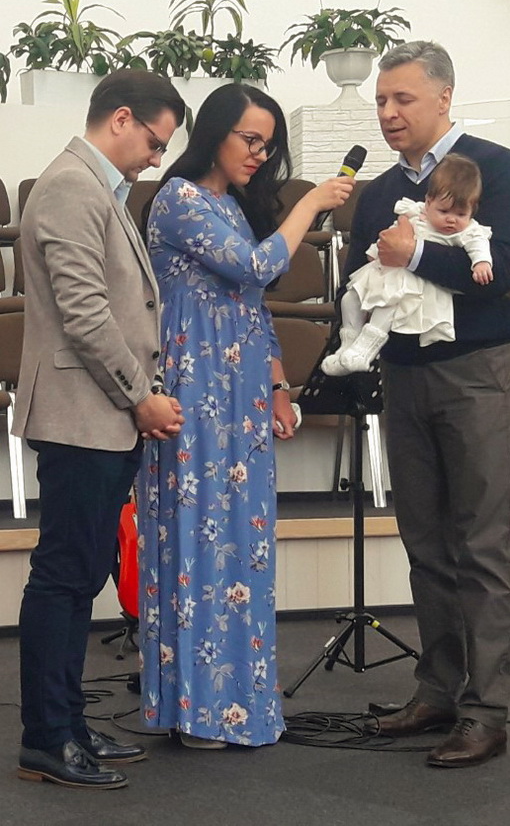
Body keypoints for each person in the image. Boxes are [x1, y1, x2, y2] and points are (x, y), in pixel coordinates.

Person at [136, 83, 353, 749]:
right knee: (198, 538)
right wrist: (310, 202)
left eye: (268, 145)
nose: (260, 154)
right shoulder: (178, 200)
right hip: (195, 389)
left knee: (242, 541)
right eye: (250, 139)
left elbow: (252, 306)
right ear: (214, 135)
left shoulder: (230, 204)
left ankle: (236, 702)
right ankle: (197, 708)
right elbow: (256, 266)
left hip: (242, 394)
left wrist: (280, 384)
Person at [343, 41, 510, 767]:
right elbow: (363, 274)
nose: (388, 113)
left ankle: (486, 711)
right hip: (405, 374)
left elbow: (503, 270)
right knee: (424, 542)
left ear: (444, 96)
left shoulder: (497, 168)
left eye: (403, 99)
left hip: (476, 372)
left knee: (481, 542)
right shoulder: (378, 191)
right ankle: (439, 690)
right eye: (381, 101)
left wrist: (416, 255)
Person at [13, 70, 187, 790]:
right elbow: (85, 314)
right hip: (82, 414)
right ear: (121, 118)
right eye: (154, 141)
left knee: (80, 575)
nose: (155, 158)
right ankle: (47, 739)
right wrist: (142, 397)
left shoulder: (96, 189)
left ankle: (69, 726)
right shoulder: (70, 187)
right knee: (64, 578)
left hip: (99, 415)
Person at [321, 153, 492, 375]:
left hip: (415, 284)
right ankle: (348, 346)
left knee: (388, 302)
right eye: (443, 211)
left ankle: (365, 351)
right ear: (429, 202)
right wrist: (375, 253)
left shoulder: (467, 230)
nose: (451, 219)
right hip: (387, 270)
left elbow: (478, 243)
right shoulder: (415, 213)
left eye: (461, 214)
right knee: (349, 298)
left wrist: (481, 262)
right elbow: (391, 234)